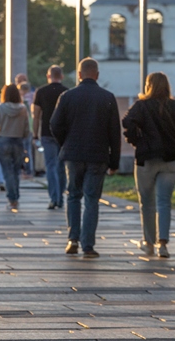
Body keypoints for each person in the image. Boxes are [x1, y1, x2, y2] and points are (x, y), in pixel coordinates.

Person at [50, 58, 122, 258]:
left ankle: (72, 239)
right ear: (97, 75)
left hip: (73, 154)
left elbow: (55, 125)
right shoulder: (107, 97)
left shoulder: (67, 96)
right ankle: (88, 245)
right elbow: (114, 133)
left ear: (79, 75)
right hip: (98, 156)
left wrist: (66, 142)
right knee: (92, 199)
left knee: (73, 195)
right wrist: (114, 161)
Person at [122, 72, 175, 258]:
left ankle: (148, 243)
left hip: (146, 159)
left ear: (148, 86)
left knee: (146, 203)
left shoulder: (141, 106)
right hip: (170, 160)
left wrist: (137, 140)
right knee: (164, 202)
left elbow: (127, 123)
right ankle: (163, 244)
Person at [32, 65, 69, 209]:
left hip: (47, 133)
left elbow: (36, 116)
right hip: (63, 135)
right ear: (62, 76)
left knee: (51, 166)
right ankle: (61, 198)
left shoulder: (41, 92)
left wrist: (35, 134)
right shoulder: (67, 92)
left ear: (49, 76)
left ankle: (54, 198)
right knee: (61, 167)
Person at [0, 84, 31, 211]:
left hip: (4, 141)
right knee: (16, 171)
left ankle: (11, 199)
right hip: (18, 141)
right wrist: (22, 137)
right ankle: (16, 198)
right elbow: (26, 128)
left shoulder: (0, 108)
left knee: (7, 171)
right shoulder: (23, 109)